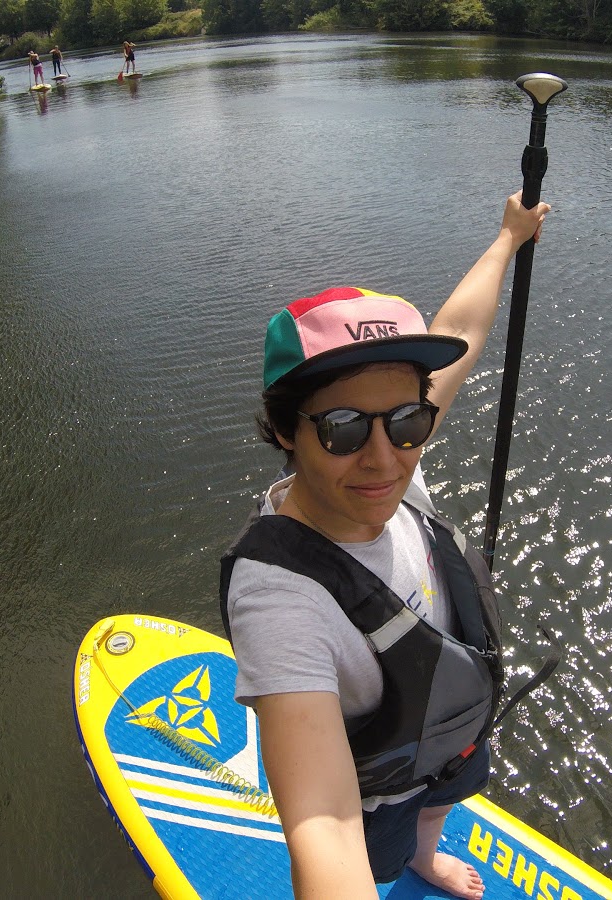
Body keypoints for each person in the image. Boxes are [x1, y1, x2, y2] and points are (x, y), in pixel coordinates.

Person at [221, 190, 550, 900]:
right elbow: (326, 822)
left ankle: (428, 854)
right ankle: (405, 858)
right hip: (377, 791)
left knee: (446, 794)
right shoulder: (280, 600)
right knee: (381, 848)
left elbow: (458, 328)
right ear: (285, 430)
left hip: (450, 729)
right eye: (341, 428)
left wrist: (507, 237)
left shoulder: (398, 457)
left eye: (407, 421)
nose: (383, 460)